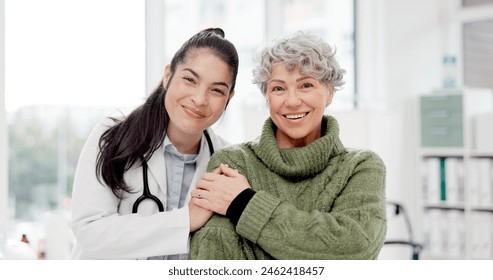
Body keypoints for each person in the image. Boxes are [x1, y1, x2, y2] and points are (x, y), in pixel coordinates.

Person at [189, 31, 387, 260]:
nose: (292, 101)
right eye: (278, 88)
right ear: (267, 97)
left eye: (306, 85)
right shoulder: (233, 163)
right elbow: (214, 258)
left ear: (330, 92)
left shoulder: (361, 167)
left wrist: (244, 203)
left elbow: (355, 249)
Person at [70, 28, 239, 259]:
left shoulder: (229, 164)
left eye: (217, 90)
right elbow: (90, 233)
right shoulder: (111, 137)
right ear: (168, 76)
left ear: (228, 99)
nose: (200, 99)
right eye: (190, 79)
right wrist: (185, 221)